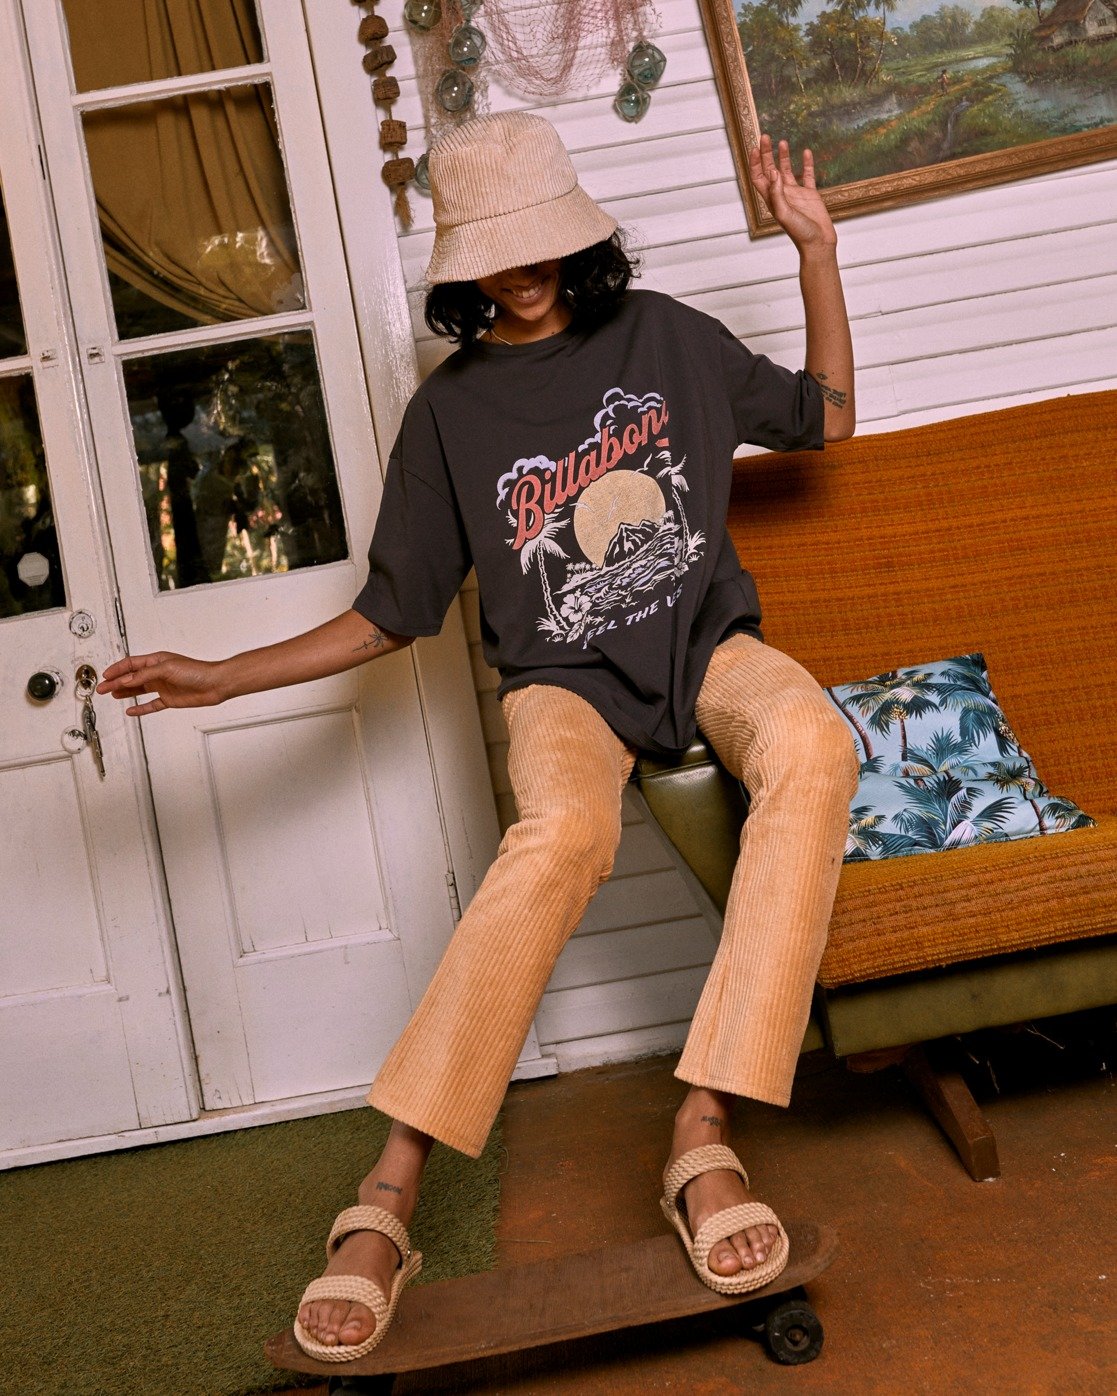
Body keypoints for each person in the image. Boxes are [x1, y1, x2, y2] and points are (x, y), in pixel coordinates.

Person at [97, 113, 858, 1361]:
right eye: (492, 253)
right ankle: (388, 1191)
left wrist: (814, 251)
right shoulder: (448, 414)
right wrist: (223, 677)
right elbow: (388, 613)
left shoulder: (666, 335)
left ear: (579, 235)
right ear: (460, 264)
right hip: (560, 682)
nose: (520, 271)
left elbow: (826, 419)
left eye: (538, 241)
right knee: (559, 836)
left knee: (815, 745)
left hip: (708, 648)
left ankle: (702, 1126)